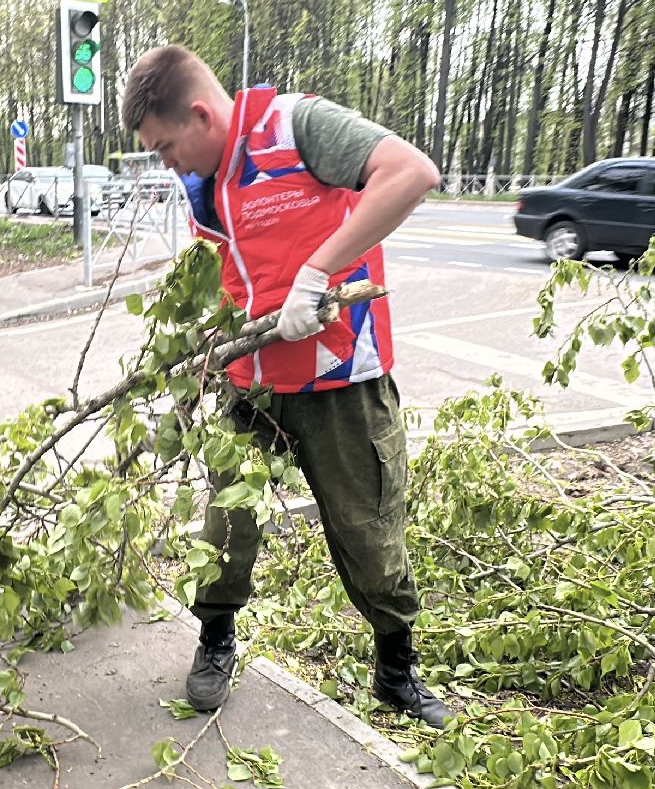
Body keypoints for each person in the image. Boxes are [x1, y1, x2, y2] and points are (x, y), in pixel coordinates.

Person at [120, 45, 449, 727]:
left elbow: (411, 173)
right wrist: (203, 350)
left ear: (202, 115)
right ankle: (215, 642)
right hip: (252, 385)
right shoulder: (202, 186)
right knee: (224, 526)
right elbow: (229, 276)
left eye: (165, 145)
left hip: (340, 379)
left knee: (369, 530)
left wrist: (319, 271)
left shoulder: (298, 128)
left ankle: (396, 668)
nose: (166, 162)